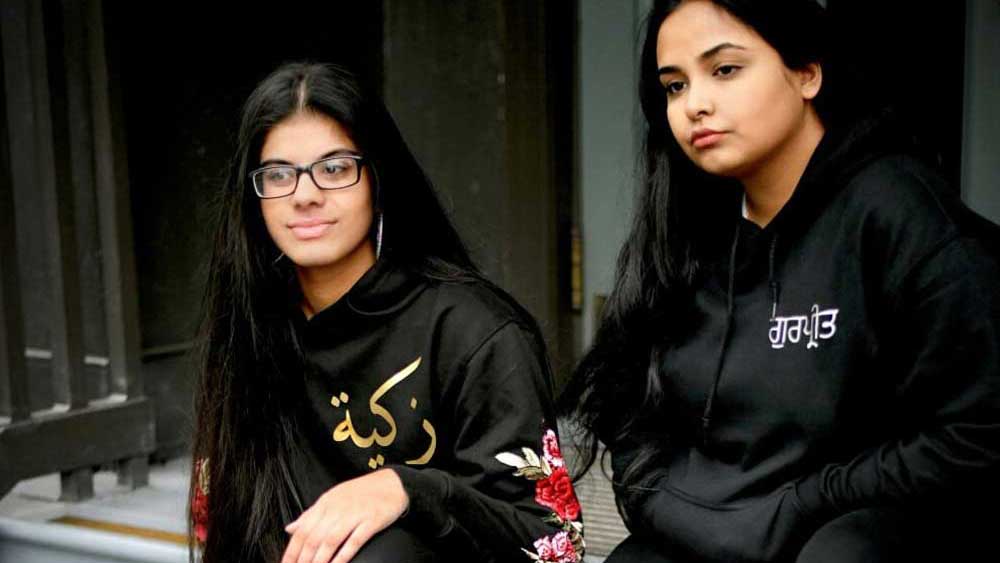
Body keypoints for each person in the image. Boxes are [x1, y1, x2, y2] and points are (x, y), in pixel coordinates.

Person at [559, 1, 1000, 561]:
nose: (695, 104)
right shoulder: (686, 232)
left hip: (853, 530)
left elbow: (975, 433)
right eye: (674, 86)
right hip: (721, 533)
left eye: (725, 70)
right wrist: (688, 515)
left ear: (807, 72)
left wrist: (799, 505)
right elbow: (629, 417)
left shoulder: (899, 215)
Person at [188, 62, 584, 563]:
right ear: (255, 197)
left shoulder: (473, 332)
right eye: (279, 174)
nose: (305, 195)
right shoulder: (249, 327)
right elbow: (223, 525)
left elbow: (556, 544)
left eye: (334, 168)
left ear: (378, 178)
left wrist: (409, 490)